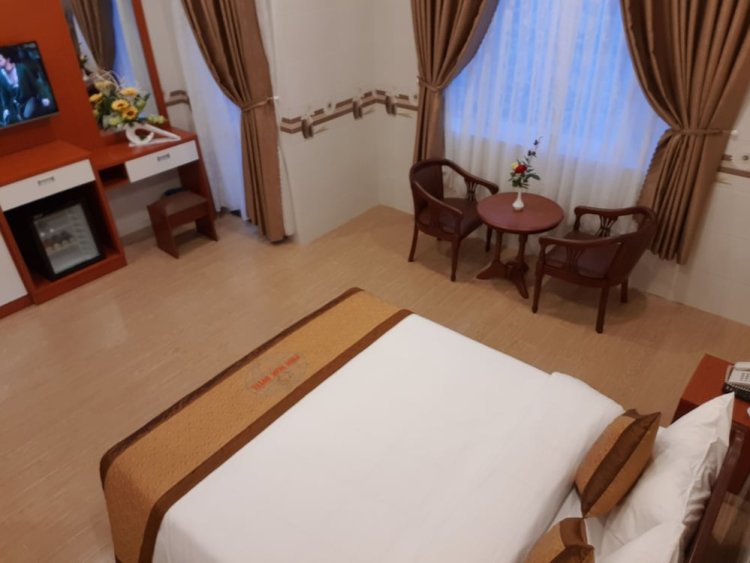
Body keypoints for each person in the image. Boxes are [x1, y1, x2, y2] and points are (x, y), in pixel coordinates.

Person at [0, 47, 55, 125]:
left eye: (0, 60)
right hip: (18, 106)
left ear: (8, 59)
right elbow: (4, 94)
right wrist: (6, 109)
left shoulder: (21, 68)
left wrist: (44, 97)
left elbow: (35, 84)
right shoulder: (1, 76)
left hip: (30, 100)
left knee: (28, 117)